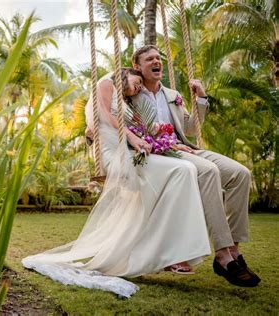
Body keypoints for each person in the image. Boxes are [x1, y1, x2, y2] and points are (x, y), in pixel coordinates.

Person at [22, 68, 211, 297]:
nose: (140, 85)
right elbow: (105, 115)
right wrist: (132, 137)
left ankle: (173, 250)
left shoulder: (127, 102)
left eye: (141, 83)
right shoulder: (106, 83)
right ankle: (170, 252)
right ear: (125, 73)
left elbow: (139, 128)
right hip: (115, 155)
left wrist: (166, 142)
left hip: (131, 152)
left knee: (183, 170)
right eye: (137, 79)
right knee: (183, 170)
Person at [131, 45, 261, 287]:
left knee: (240, 174)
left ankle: (234, 248)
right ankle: (223, 255)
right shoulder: (131, 95)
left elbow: (190, 129)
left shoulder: (172, 95)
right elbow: (119, 120)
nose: (156, 61)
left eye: (158, 58)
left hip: (187, 148)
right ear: (138, 66)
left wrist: (201, 97)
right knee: (209, 171)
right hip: (161, 153)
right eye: (149, 59)